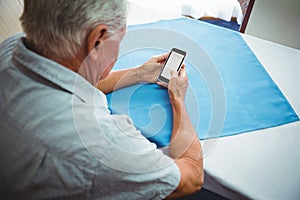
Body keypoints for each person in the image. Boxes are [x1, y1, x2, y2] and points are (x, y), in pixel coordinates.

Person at [0, 0, 203, 199]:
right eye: (120, 39)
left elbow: (64, 77)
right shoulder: (101, 142)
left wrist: (138, 73)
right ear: (97, 40)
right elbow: (191, 178)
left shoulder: (10, 49)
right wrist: (177, 97)